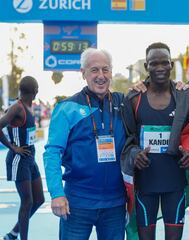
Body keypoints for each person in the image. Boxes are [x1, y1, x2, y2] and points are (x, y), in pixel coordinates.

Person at [43, 48, 127, 240]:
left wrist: (178, 86)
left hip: (115, 204)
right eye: (94, 70)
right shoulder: (67, 108)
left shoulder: (123, 103)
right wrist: (56, 193)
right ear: (83, 73)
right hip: (77, 203)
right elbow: (52, 153)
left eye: (105, 70)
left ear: (111, 72)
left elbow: (154, 94)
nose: (101, 76)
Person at [121, 42, 189, 240]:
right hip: (145, 184)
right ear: (146, 67)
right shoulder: (133, 98)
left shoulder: (186, 97)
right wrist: (134, 154)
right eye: (153, 64)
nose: (160, 68)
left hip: (175, 182)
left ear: (171, 64)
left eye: (164, 63)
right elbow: (127, 138)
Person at [0, 76, 45, 240]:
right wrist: (13, 147)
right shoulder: (17, 108)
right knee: (27, 202)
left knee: (39, 200)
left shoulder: (28, 106)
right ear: (35, 91)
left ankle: (13, 233)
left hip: (30, 157)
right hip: (18, 159)